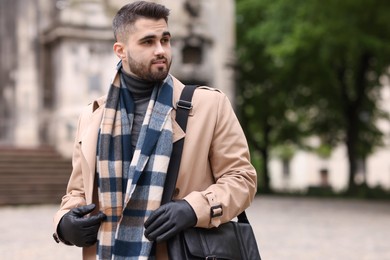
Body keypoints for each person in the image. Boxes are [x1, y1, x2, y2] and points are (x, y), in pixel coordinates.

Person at [53, 1, 257, 259]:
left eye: (165, 39)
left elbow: (242, 179)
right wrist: (64, 223)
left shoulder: (210, 106)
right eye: (148, 42)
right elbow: (78, 193)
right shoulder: (92, 117)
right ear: (121, 50)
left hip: (180, 252)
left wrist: (193, 209)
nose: (161, 50)